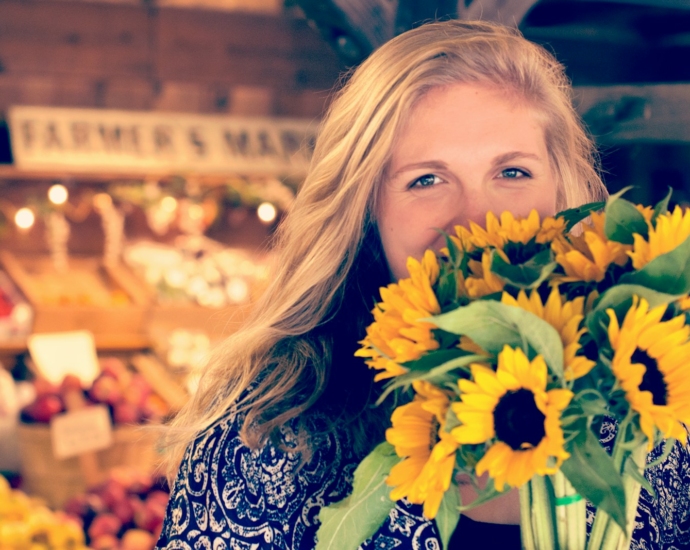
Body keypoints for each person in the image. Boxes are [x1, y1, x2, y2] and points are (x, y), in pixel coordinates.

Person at [156, 20, 690, 550]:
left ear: (563, 193)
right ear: (368, 211)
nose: (479, 222)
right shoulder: (266, 437)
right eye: (426, 180)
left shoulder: (653, 408)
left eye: (512, 173)